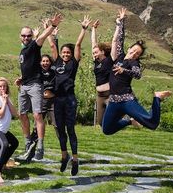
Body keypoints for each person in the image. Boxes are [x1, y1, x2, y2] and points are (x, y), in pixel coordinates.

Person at [102, 8, 172, 135]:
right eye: (133, 50)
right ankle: (130, 121)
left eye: (137, 53)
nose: (134, 53)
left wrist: (124, 70)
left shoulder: (134, 63)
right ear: (129, 48)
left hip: (127, 100)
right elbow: (119, 39)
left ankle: (157, 97)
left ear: (138, 56)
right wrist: (121, 22)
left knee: (152, 123)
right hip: (113, 101)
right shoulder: (120, 56)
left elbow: (137, 74)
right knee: (107, 129)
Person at [15, 13, 62, 163]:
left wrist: (52, 26)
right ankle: (28, 142)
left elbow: (42, 36)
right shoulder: (23, 51)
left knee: (37, 115)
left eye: (29, 36)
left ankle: (40, 145)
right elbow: (28, 67)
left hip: (35, 85)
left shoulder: (35, 46)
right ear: (20, 37)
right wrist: (22, 78)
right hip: (24, 85)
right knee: (22, 114)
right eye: (24, 36)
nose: (26, 38)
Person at [49, 16, 91, 176]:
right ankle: (64, 156)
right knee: (60, 130)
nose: (66, 54)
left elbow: (78, 44)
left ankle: (75, 159)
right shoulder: (57, 62)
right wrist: (52, 30)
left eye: (68, 52)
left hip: (69, 100)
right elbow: (52, 44)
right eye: (64, 52)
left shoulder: (74, 63)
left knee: (70, 130)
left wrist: (83, 29)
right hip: (57, 100)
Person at [0, 77, 19, 184]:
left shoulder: (7, 98)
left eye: (4, 86)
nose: (3, 88)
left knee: (15, 143)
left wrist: (7, 101)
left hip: (4, 130)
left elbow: (15, 113)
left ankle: (2, 163)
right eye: (0, 86)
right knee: (5, 144)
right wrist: (3, 102)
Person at [91, 19, 112, 126]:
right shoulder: (96, 62)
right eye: (93, 53)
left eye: (96, 52)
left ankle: (128, 120)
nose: (94, 54)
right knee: (101, 123)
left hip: (110, 95)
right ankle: (128, 121)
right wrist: (93, 29)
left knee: (111, 119)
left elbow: (116, 42)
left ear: (102, 52)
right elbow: (93, 44)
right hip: (99, 95)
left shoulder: (108, 60)